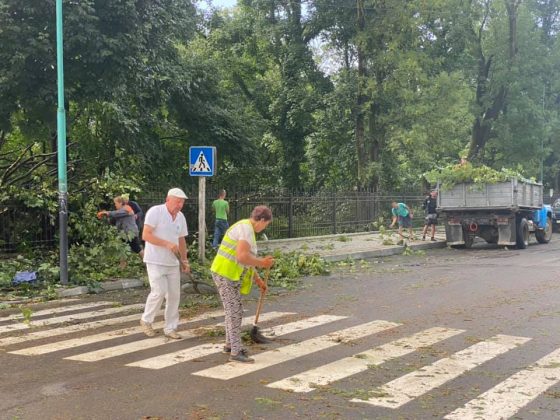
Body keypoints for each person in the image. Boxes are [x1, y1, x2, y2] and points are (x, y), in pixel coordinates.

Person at [210, 205, 275, 363]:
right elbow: (242, 257)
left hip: (228, 274)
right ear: (261, 220)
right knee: (235, 311)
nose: (265, 227)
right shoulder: (245, 229)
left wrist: (258, 281)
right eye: (266, 224)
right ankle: (235, 351)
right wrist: (262, 263)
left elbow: (248, 262)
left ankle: (230, 345)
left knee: (233, 310)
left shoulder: (246, 229)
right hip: (225, 273)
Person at [140, 188, 190, 340]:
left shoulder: (180, 217)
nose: (180, 205)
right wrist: (167, 244)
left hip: (173, 262)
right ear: (168, 199)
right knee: (159, 291)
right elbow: (145, 235)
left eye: (182, 202)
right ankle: (146, 320)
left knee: (174, 295)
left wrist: (184, 260)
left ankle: (170, 328)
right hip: (155, 260)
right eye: (177, 201)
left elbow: (181, 240)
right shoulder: (156, 212)